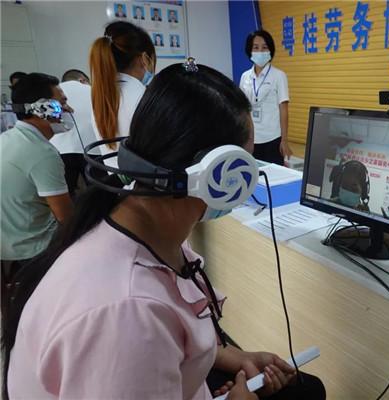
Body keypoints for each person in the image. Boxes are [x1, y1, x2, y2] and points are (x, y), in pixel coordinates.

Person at [2, 62, 325, 400]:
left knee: (305, 389)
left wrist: (233, 356)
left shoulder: (137, 227)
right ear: (219, 172)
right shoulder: (126, 316)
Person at [0, 73, 74, 315]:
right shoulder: (42, 153)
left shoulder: (7, 138)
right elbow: (67, 219)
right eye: (61, 103)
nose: (69, 109)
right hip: (31, 247)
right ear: (42, 108)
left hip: (7, 240)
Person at [90, 21, 155, 168]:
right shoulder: (144, 97)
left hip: (116, 177)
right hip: (144, 179)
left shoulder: (102, 96)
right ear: (144, 58)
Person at [240, 30, 291, 166]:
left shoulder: (279, 76)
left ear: (270, 50)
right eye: (255, 47)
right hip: (251, 139)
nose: (260, 51)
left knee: (274, 176)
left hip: (273, 139)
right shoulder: (245, 77)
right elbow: (243, 109)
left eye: (264, 47)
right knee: (253, 175)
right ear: (250, 51)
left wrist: (284, 140)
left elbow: (283, 109)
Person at [50, 69, 101, 196]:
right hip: (92, 149)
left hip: (60, 150)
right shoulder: (94, 90)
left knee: (64, 194)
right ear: (82, 80)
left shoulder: (53, 92)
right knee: (99, 193)